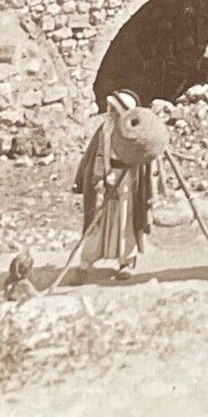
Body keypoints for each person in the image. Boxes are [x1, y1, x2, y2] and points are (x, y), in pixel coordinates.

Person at [73, 90, 160, 277]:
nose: (108, 110)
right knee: (96, 218)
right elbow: (96, 154)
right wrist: (102, 176)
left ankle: (126, 262)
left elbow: (146, 157)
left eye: (113, 108)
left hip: (128, 179)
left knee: (125, 219)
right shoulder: (104, 128)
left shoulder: (135, 131)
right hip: (105, 179)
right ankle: (86, 262)